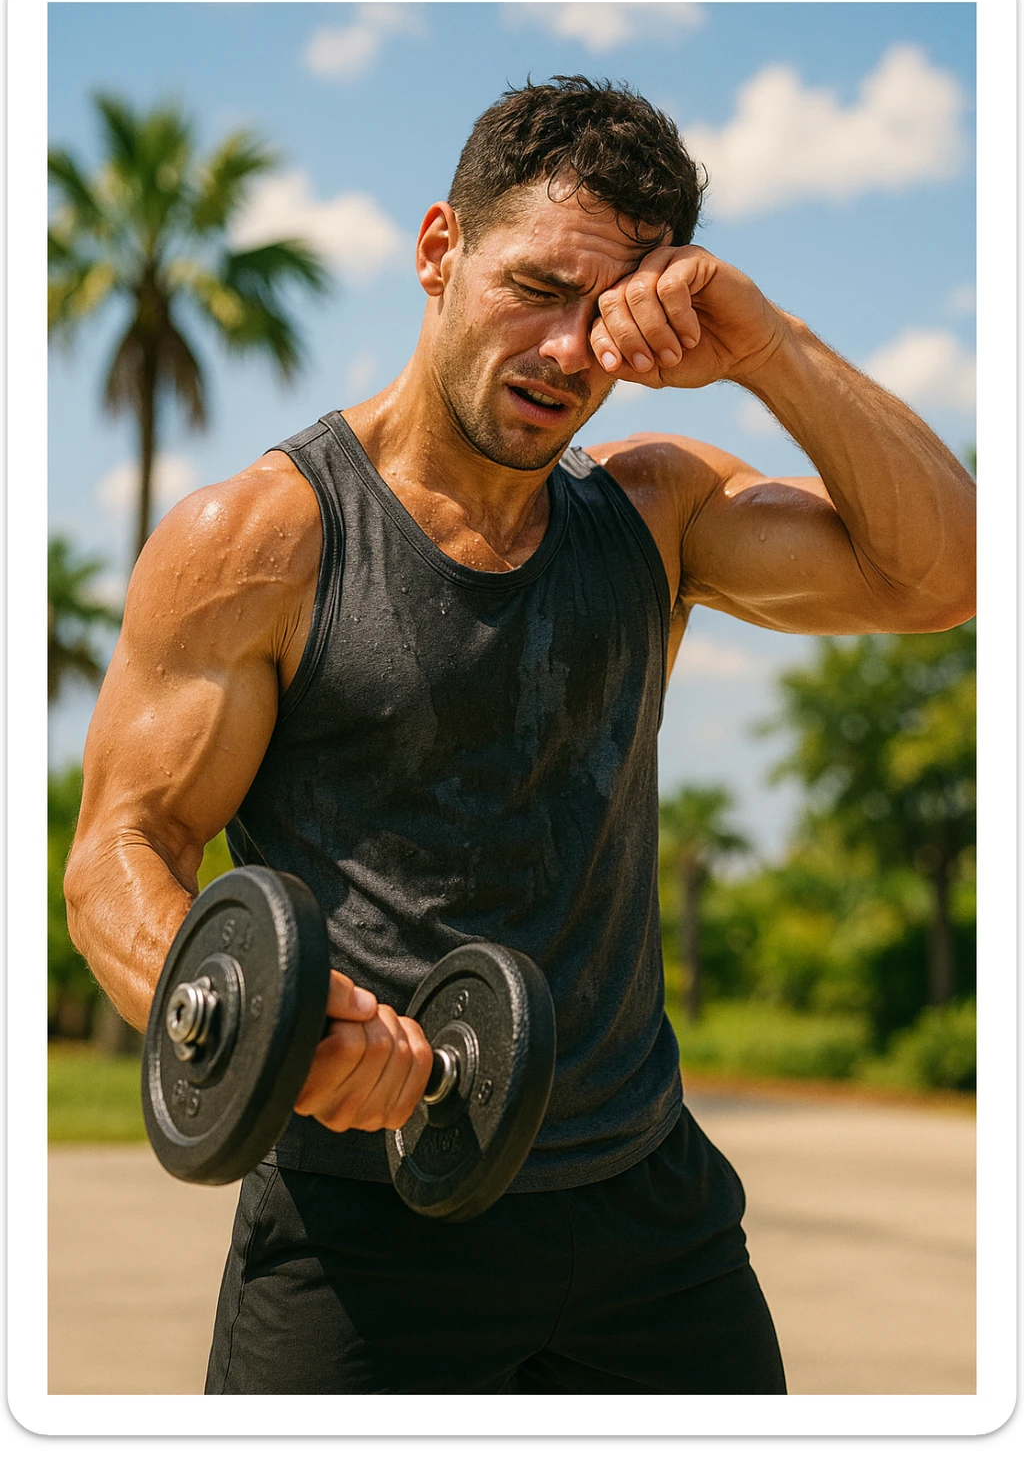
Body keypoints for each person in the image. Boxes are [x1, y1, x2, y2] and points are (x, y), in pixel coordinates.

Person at [64, 76, 976, 1395]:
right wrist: (280, 1037)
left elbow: (944, 574)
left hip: (649, 1218)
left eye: (602, 317)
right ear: (441, 249)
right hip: (365, 1233)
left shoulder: (658, 512)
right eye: (534, 288)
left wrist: (766, 345)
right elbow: (117, 852)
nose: (564, 352)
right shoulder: (262, 539)